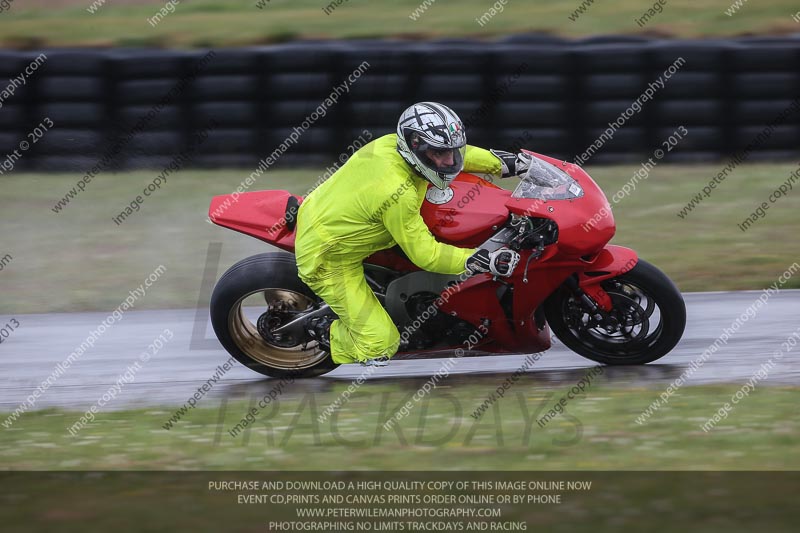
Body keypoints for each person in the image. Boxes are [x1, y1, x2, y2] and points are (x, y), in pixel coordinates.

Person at [294, 101, 531, 366]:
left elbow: (454, 153)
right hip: (328, 257)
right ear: (416, 147)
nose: (451, 161)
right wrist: (479, 260)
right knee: (380, 344)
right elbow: (426, 255)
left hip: (327, 209)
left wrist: (504, 163)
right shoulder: (397, 192)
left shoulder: (391, 144)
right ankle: (321, 330)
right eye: (440, 154)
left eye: (453, 152)